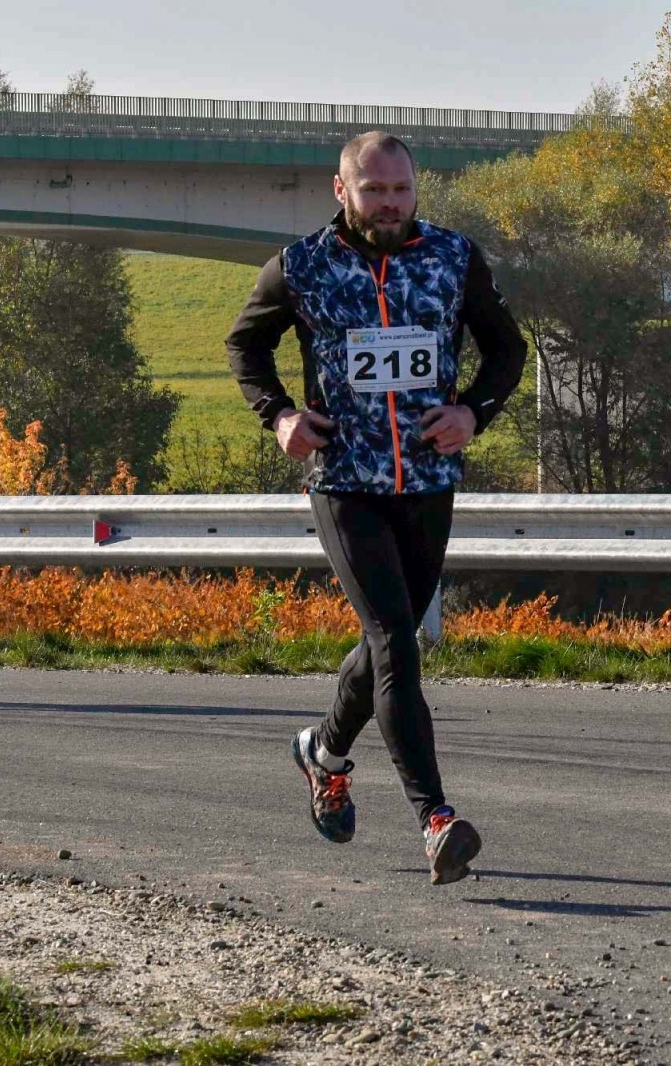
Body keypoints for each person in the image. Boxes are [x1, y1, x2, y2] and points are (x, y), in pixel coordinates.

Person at [225, 131, 527, 885]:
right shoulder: (300, 267)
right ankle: (436, 819)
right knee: (397, 640)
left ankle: (322, 754)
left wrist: (473, 414)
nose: (389, 205)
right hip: (346, 482)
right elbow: (245, 346)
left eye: (400, 190)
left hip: (426, 483)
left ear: (415, 189)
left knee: (381, 646)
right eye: (374, 191)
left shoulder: (454, 259)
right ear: (342, 191)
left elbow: (506, 351)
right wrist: (280, 416)